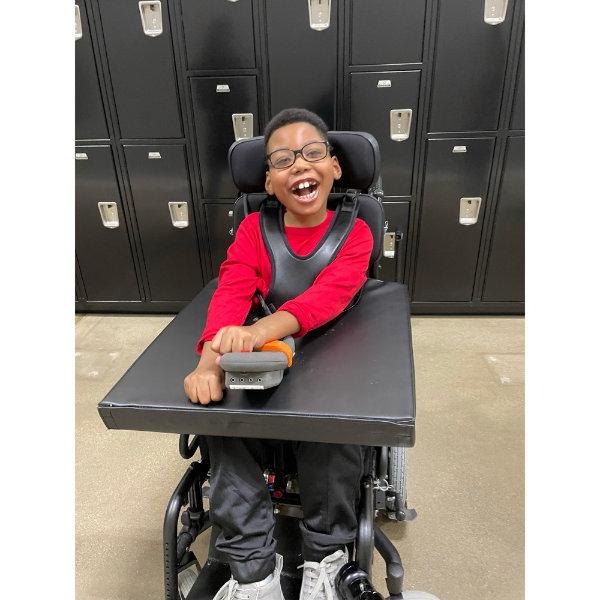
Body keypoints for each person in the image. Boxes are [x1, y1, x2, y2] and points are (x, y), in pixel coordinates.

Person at [183, 108, 374, 600]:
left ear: (335, 167)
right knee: (224, 425)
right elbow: (231, 292)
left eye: (313, 153)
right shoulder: (253, 231)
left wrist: (260, 329)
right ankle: (254, 576)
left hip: (334, 351)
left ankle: (325, 562)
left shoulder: (356, 231)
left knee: (334, 429)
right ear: (267, 180)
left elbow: (326, 297)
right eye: (284, 160)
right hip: (268, 355)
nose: (300, 167)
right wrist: (210, 360)